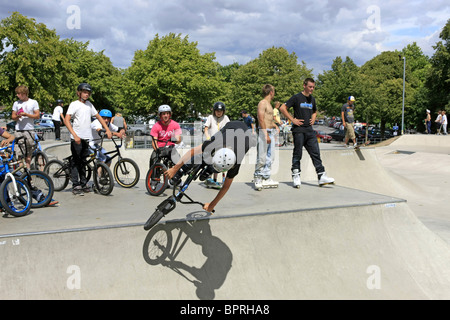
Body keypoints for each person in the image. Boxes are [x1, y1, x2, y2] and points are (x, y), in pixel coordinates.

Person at [165, 121, 256, 213]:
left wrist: (212, 205)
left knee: (213, 164)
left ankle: (210, 170)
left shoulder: (236, 162)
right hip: (230, 127)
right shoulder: (216, 142)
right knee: (202, 153)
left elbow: (226, 187)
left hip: (245, 136)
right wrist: (175, 169)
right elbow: (192, 151)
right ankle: (182, 170)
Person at [279, 78, 335, 188]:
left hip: (310, 131)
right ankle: (296, 175)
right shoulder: (296, 97)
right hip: (299, 131)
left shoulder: (312, 99)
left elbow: (314, 111)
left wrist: (313, 118)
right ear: (304, 85)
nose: (312, 89)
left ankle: (321, 176)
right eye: (310, 87)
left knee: (316, 153)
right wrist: (292, 119)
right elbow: (282, 108)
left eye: (313, 87)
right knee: (297, 154)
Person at [64, 83, 112, 196]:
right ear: (79, 93)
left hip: (86, 138)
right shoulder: (74, 104)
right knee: (76, 162)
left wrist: (107, 129)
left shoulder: (89, 105)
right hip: (77, 138)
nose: (86, 95)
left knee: (83, 162)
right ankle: (76, 185)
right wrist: (74, 135)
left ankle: (84, 183)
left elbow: (99, 117)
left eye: (88, 93)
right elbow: (66, 120)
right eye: (84, 92)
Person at [254, 84, 278, 190]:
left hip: (270, 132)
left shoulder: (269, 104)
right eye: (274, 91)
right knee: (262, 157)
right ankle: (258, 177)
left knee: (270, 157)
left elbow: (269, 120)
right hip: (264, 133)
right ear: (271, 92)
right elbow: (261, 119)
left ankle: (266, 177)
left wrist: (275, 125)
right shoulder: (262, 103)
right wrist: (266, 134)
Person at [11, 85, 41, 168]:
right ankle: (22, 174)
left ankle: (27, 173)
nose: (17, 95)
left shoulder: (33, 102)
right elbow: (13, 116)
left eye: (19, 93)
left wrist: (26, 114)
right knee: (20, 154)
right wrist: (17, 116)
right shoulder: (16, 103)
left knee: (28, 153)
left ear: (24, 94)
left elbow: (37, 115)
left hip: (29, 130)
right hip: (19, 130)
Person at [204, 101, 230, 189]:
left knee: (221, 161)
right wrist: (208, 137)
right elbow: (206, 128)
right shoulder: (210, 117)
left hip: (222, 143)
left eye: (221, 111)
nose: (219, 112)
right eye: (217, 111)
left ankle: (219, 179)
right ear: (214, 111)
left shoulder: (225, 118)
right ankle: (211, 179)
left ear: (223, 111)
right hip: (212, 143)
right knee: (211, 161)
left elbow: (229, 128)